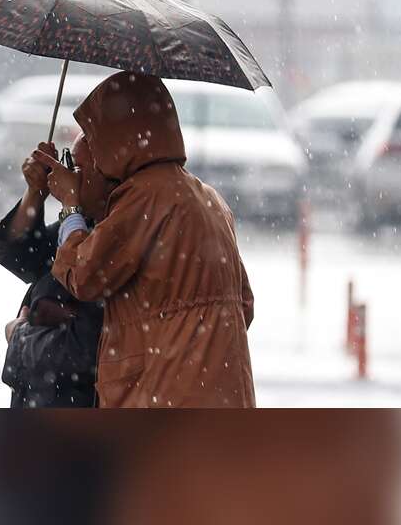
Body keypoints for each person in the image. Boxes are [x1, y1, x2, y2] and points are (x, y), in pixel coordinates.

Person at [33, 71, 256, 408]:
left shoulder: (145, 198)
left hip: (168, 397)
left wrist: (70, 206)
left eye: (86, 157)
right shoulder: (207, 197)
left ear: (113, 145)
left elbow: (83, 274)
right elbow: (245, 305)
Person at [0, 134, 113, 407]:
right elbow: (20, 256)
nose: (67, 176)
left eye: (77, 168)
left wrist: (20, 339)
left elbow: (83, 352)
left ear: (110, 177)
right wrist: (35, 192)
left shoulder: (114, 238)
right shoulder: (86, 223)